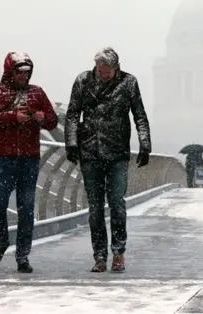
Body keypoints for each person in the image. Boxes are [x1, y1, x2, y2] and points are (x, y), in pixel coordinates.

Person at [64, 47, 151, 273]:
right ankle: (100, 256)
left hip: (117, 154)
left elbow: (139, 115)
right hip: (90, 152)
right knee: (95, 208)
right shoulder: (83, 81)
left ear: (116, 68)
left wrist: (145, 144)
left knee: (117, 205)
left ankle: (119, 253)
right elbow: (73, 114)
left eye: (107, 72)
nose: (102, 76)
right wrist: (71, 143)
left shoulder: (129, 83)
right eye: (100, 71)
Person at [0, 52, 58, 273]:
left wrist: (42, 118)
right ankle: (1, 241)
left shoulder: (37, 93)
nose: (24, 76)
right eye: (20, 72)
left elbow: (53, 122)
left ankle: (22, 256)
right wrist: (13, 117)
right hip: (1, 158)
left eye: (27, 72)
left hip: (29, 159)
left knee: (26, 209)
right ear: (10, 71)